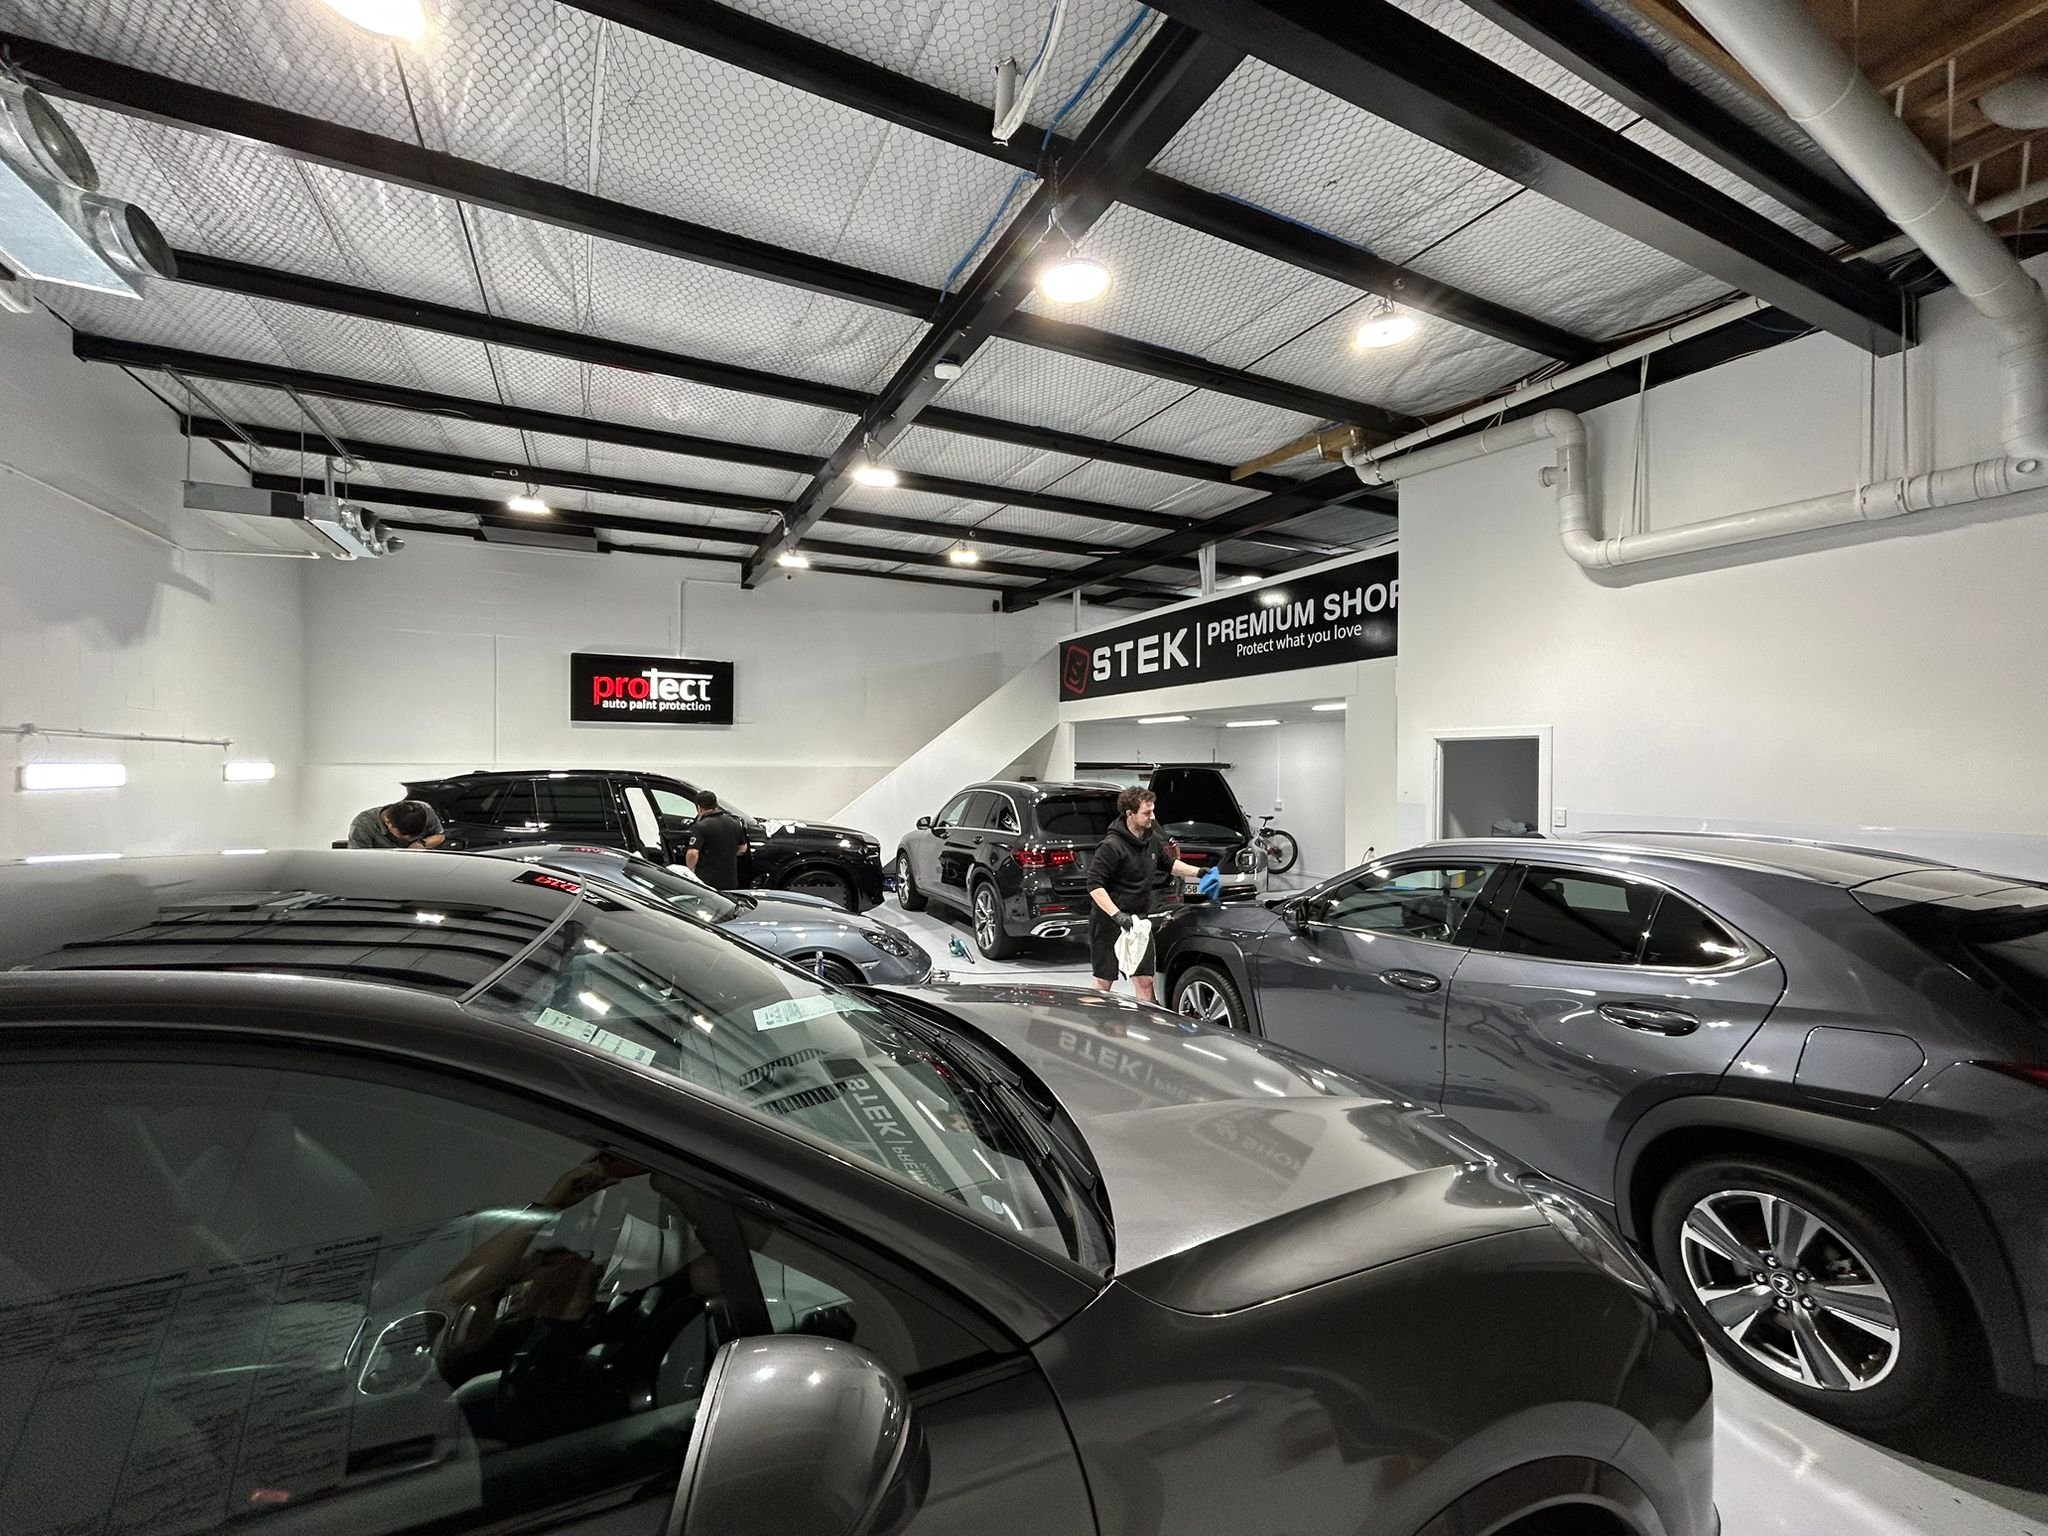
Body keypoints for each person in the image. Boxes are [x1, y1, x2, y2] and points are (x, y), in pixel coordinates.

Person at [1087, 785, 1202, 1003]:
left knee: (1145, 980)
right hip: (1109, 922)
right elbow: (1094, 885)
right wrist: (1117, 915)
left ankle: (1149, 1029)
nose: (1153, 817)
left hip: (1139, 921)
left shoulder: (1150, 840)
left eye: (1153, 811)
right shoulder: (1111, 846)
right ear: (1130, 814)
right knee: (1104, 981)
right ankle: (1094, 1026)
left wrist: (1200, 872)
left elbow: (1168, 864)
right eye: (1147, 813)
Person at [684, 789, 749, 891]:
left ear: (699, 808)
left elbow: (692, 853)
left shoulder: (701, 826)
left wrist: (690, 871)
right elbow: (743, 848)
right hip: (730, 880)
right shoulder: (734, 824)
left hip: (707, 882)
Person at [347, 798, 445, 850]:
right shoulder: (363, 825)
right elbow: (359, 864)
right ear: (387, 822)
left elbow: (440, 836)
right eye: (403, 836)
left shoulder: (424, 810)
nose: (409, 840)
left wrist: (422, 844)